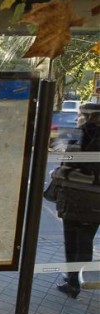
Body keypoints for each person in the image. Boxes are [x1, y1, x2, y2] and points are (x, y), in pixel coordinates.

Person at [52, 102, 100, 299]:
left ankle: (72, 283)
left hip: (73, 199)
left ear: (85, 116)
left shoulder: (75, 134)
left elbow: (63, 160)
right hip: (97, 202)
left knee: (71, 241)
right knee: (86, 241)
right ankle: (82, 278)